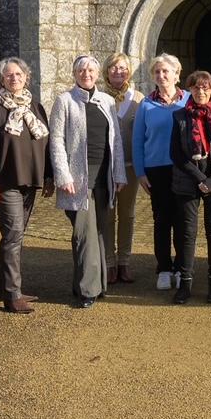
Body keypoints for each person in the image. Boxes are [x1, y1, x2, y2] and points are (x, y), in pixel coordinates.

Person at [0, 57, 51, 314]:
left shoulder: (35, 107)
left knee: (16, 236)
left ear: (26, 77)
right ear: (1, 79)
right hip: (5, 183)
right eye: (9, 75)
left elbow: (47, 144)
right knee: (12, 235)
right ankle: (11, 295)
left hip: (30, 182)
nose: (14, 78)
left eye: (18, 74)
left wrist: (49, 177)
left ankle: (11, 288)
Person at [50, 55, 127, 308]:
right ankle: (87, 290)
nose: (86, 73)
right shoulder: (64, 101)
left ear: (97, 74)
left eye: (91, 69)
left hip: (104, 175)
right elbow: (57, 141)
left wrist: (119, 174)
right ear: (74, 73)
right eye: (81, 69)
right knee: (84, 234)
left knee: (100, 232)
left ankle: (94, 284)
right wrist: (62, 175)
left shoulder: (106, 100)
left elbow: (115, 141)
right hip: (77, 179)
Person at [169, 71, 211, 304]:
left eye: (205, 87)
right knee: (188, 233)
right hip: (188, 182)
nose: (201, 91)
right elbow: (175, 153)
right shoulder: (179, 117)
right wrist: (199, 179)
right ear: (190, 90)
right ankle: (186, 283)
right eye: (196, 88)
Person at [132, 54, 189, 290]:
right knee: (162, 220)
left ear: (177, 74)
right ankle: (164, 268)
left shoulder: (188, 100)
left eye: (166, 71)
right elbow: (137, 141)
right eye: (157, 72)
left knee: (184, 221)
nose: (161, 76)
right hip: (156, 170)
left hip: (184, 169)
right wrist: (140, 172)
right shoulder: (146, 104)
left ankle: (182, 267)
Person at [102, 52, 142, 285]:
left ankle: (124, 262)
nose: (119, 71)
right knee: (107, 215)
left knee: (127, 215)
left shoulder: (138, 99)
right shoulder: (98, 97)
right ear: (107, 71)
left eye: (123, 68)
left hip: (130, 167)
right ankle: (109, 262)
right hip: (105, 167)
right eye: (114, 68)